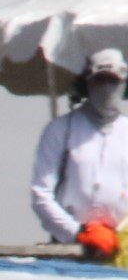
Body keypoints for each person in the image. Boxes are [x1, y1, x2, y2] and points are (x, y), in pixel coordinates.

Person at [31, 49, 128, 257]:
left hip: (120, 250)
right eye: (100, 81)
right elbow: (41, 192)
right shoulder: (60, 129)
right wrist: (77, 232)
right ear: (87, 84)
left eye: (114, 82)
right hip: (70, 250)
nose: (107, 89)